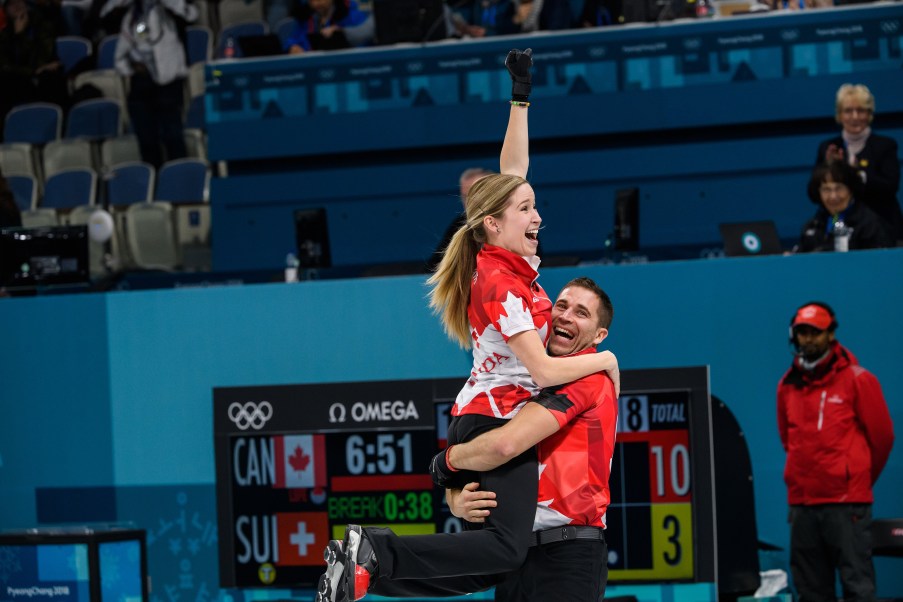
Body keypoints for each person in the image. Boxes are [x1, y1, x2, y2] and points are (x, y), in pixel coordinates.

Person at [317, 48, 620, 602]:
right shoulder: (503, 285)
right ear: (492, 224)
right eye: (526, 210)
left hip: (483, 425)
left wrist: (521, 96)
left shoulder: (500, 265)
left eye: (534, 206)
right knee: (505, 550)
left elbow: (513, 170)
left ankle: (366, 571)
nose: (538, 217)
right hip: (492, 418)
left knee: (489, 562)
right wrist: (608, 359)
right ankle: (376, 554)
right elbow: (543, 370)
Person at [440, 276, 618, 602]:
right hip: (516, 554)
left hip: (567, 554)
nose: (565, 315)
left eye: (581, 313)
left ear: (599, 335)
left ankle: (373, 560)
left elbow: (503, 445)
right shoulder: (526, 380)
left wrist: (443, 464)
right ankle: (365, 570)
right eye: (561, 306)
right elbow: (488, 454)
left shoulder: (586, 378)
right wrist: (456, 496)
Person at [777, 301, 894, 602]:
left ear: (831, 335)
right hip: (803, 505)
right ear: (794, 336)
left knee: (858, 587)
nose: (809, 339)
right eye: (803, 332)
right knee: (811, 591)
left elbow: (882, 438)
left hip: (847, 506)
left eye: (816, 332)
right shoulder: (786, 386)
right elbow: (788, 440)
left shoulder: (857, 379)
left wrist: (854, 478)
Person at [103, 0, 196, 167]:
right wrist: (132, 69)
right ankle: (155, 183)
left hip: (169, 82)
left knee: (173, 137)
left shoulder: (170, 13)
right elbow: (119, 56)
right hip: (142, 85)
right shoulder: (132, 17)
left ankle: (180, 180)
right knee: (147, 141)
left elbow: (191, 15)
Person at [815, 83, 902, 241]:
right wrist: (830, 169)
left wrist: (857, 174)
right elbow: (814, 193)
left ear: (869, 114)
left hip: (880, 226)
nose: (855, 116)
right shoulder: (828, 147)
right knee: (836, 251)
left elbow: (890, 186)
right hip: (838, 221)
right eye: (848, 111)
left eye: (861, 110)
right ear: (839, 115)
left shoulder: (885, 145)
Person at [798, 161, 895, 253]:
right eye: (826, 189)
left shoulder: (870, 224)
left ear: (851, 190)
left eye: (839, 188)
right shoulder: (813, 225)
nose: (833, 196)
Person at [424, 167, 492, 273]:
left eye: (474, 195)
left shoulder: (511, 221)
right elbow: (434, 267)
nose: (468, 202)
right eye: (464, 196)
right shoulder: (460, 224)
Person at [283, 0, 371, 54]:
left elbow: (364, 48)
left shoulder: (353, 16)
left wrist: (341, 34)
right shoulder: (305, 19)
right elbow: (293, 39)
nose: (316, 2)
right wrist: (293, 47)